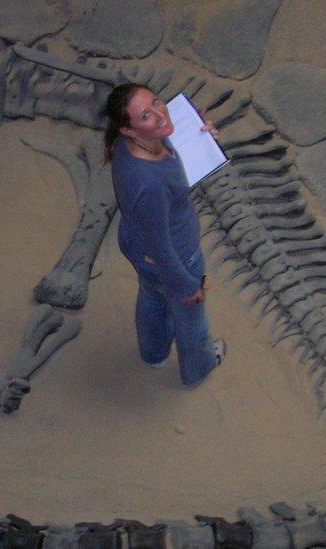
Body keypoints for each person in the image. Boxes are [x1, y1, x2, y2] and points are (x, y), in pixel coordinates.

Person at [102, 83, 225, 388]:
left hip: (137, 245)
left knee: (153, 296)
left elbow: (167, 141)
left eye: (157, 102)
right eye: (146, 115)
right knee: (191, 320)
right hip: (173, 256)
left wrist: (194, 127)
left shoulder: (125, 146)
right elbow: (161, 248)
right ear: (129, 129)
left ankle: (153, 353)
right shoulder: (150, 185)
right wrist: (187, 287)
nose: (159, 113)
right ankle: (199, 367)